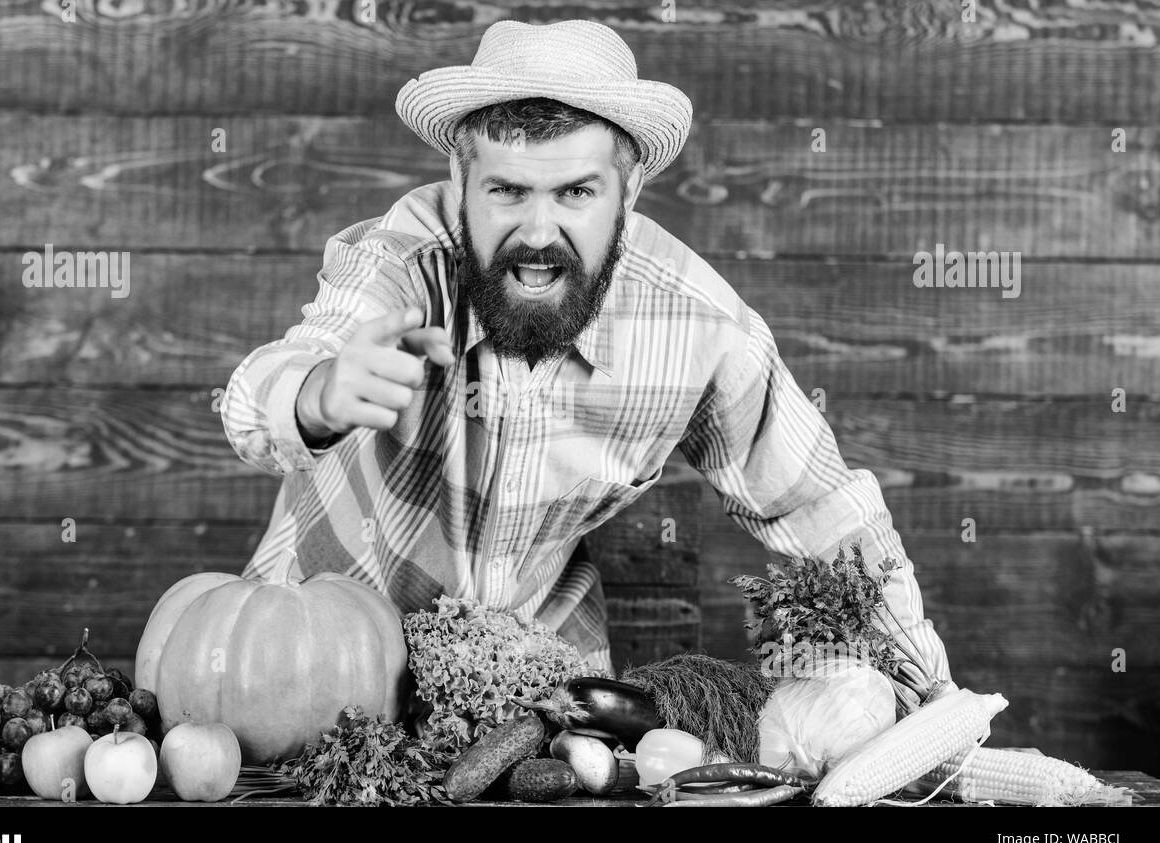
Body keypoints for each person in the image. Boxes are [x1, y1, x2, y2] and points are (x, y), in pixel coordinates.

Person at [220, 19, 954, 694]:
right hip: (304, 661)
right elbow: (260, 393)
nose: (539, 231)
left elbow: (822, 509)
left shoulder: (698, 326)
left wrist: (930, 697)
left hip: (535, 694)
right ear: (460, 180)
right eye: (507, 190)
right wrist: (316, 394)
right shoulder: (404, 262)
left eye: (576, 191)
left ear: (629, 189)